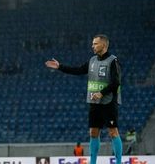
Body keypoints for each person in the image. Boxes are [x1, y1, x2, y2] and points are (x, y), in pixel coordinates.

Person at [45, 34, 122, 164]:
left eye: (95, 44)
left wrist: (101, 93)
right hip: (94, 103)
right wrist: (60, 67)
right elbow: (78, 70)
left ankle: (119, 162)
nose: (92, 46)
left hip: (108, 102)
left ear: (104, 45)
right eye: (92, 43)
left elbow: (116, 82)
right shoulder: (92, 60)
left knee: (113, 132)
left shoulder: (113, 61)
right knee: (93, 132)